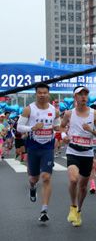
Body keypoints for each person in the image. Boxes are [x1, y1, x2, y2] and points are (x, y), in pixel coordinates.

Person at [60, 86, 96, 227]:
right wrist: (64, 136)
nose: (83, 97)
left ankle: (79, 210)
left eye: (85, 94)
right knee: (73, 179)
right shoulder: (69, 113)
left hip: (87, 153)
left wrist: (91, 130)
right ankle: (73, 207)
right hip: (73, 151)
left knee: (83, 186)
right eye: (80, 94)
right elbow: (61, 127)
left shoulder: (94, 114)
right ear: (75, 97)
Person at [17, 83, 61, 222]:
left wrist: (60, 132)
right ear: (36, 94)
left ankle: (44, 210)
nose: (42, 95)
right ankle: (32, 187)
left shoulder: (54, 111)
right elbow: (19, 127)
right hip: (33, 147)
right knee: (33, 179)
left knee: (46, 177)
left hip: (47, 147)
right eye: (39, 92)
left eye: (45, 92)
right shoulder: (29, 109)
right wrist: (32, 128)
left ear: (48, 94)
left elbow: (58, 127)